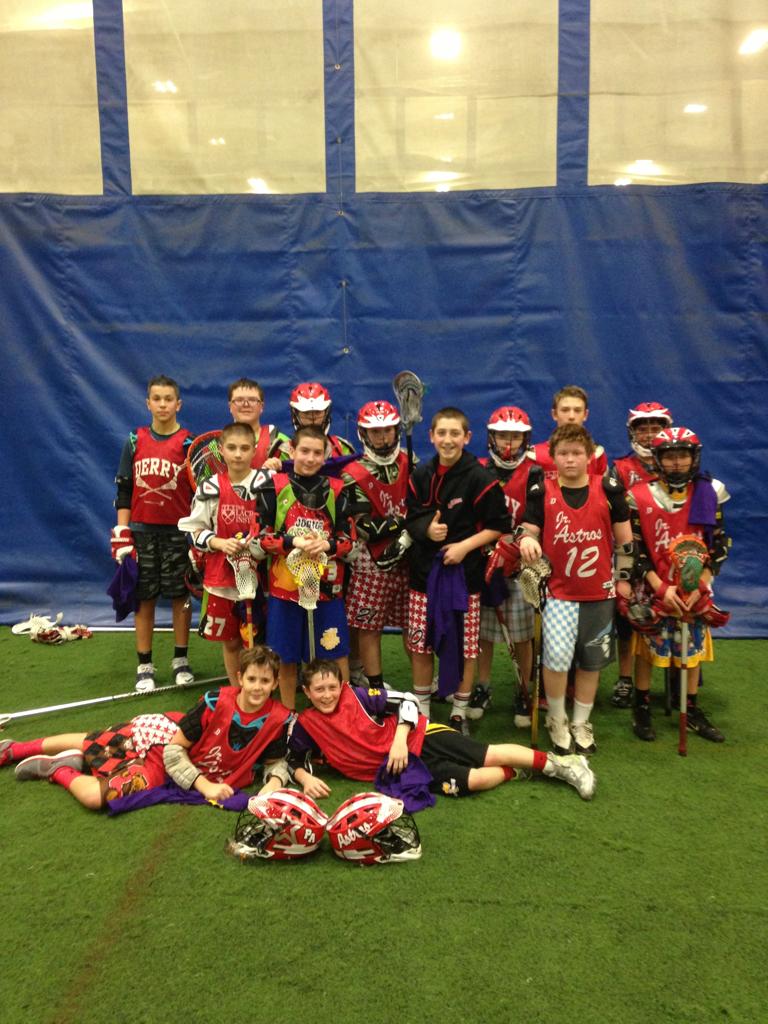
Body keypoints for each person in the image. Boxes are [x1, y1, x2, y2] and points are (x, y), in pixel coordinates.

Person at [3, 646, 292, 810]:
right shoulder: (215, 702)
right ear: (240, 678)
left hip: (175, 770)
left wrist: (272, 785)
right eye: (252, 679)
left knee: (94, 798)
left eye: (265, 681)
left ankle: (58, 769)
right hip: (161, 745)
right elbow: (174, 751)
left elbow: (276, 762)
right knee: (94, 740)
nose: (257, 687)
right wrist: (205, 786)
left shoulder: (278, 718)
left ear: (275, 684)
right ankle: (15, 749)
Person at [287, 660, 596, 801]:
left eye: (332, 687)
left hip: (418, 737)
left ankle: (563, 764)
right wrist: (306, 778)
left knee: (486, 755)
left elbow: (408, 700)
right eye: (319, 690)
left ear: (341, 685)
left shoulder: (358, 696)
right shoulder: (306, 723)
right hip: (397, 771)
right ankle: (516, 771)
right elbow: (293, 760)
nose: (327, 695)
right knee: (472, 781)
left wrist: (399, 740)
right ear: (307, 692)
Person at [518, 424, 633, 755]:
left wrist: (624, 579)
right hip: (559, 593)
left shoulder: (608, 489)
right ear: (553, 457)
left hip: (599, 593)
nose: (570, 459)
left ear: (589, 456)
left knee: (590, 662)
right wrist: (526, 540)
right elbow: (526, 530)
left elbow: (626, 543)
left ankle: (581, 721)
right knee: (555, 659)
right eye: (564, 453)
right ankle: (557, 718)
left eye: (577, 453)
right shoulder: (542, 491)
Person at [404, 407, 509, 733]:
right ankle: (422, 711)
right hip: (423, 576)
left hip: (465, 578)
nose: (447, 440)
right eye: (442, 433)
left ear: (467, 437)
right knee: (420, 644)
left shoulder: (481, 479)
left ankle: (459, 712)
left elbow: (498, 526)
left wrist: (464, 547)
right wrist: (426, 529)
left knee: (465, 647)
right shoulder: (420, 475)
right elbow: (411, 518)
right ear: (431, 436)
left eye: (454, 433)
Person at [627, 427, 730, 743]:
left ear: (694, 457)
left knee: (692, 649)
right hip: (655, 587)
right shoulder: (638, 496)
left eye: (683, 455)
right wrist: (660, 588)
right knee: (647, 649)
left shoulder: (710, 492)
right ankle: (642, 705)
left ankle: (691, 707)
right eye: (669, 456)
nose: (676, 463)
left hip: (694, 589)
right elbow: (635, 550)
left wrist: (701, 586)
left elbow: (718, 545)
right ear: (658, 459)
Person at [254, 424, 356, 708]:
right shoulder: (272, 486)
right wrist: (293, 541)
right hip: (285, 589)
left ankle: (344, 712)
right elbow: (260, 538)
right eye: (304, 451)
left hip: (327, 589)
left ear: (326, 455)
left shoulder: (338, 489)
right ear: (291, 450)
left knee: (335, 652)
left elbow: (349, 541)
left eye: (317, 453)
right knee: (284, 656)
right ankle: (289, 714)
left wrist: (328, 545)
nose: (310, 458)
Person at [112, 374, 195, 693]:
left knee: (181, 597)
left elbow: (200, 495)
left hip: (178, 533)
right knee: (143, 598)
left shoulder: (189, 444)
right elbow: (124, 490)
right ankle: (144, 665)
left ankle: (181, 660)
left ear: (179, 404)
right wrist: (122, 531)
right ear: (148, 403)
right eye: (156, 399)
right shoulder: (134, 440)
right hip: (141, 533)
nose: (162, 404)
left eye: (168, 399)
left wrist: (196, 533)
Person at [468, 406, 539, 726]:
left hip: (521, 562)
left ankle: (524, 688)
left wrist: (513, 545)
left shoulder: (535, 473)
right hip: (485, 560)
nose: (508, 443)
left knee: (522, 634)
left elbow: (536, 517)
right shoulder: (479, 469)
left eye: (516, 436)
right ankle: (482, 686)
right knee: (482, 632)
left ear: (525, 439)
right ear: (491, 438)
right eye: (502, 436)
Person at [178, 422, 265, 683]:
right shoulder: (210, 487)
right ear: (221, 450)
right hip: (221, 579)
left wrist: (258, 543)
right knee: (231, 642)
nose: (238, 454)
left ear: (254, 450)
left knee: (258, 641)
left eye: (244, 448)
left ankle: (259, 689)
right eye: (232, 448)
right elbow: (193, 530)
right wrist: (219, 542)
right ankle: (237, 690)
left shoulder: (266, 484)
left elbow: (277, 525)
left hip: (260, 577)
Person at [609, 402, 673, 709]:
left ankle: (678, 676)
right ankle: (625, 678)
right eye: (642, 429)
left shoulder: (676, 464)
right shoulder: (620, 469)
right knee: (627, 621)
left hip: (665, 556)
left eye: (655, 428)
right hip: (630, 553)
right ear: (632, 432)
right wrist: (621, 569)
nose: (648, 435)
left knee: (672, 618)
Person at [343, 401, 411, 686]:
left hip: (409, 556)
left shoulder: (411, 462)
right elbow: (366, 528)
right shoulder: (353, 472)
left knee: (413, 624)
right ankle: (374, 686)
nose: (382, 438)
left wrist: (408, 533)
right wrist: (406, 524)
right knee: (368, 625)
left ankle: (423, 684)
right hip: (370, 560)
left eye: (387, 431)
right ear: (363, 434)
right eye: (375, 432)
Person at [531, 385, 607, 480]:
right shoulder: (535, 455)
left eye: (577, 410)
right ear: (554, 414)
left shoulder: (597, 454)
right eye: (565, 410)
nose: (571, 416)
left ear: (585, 415)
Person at [278, 382, 356, 460]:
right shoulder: (281, 452)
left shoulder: (341, 448)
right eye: (306, 413)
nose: (312, 419)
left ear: (326, 412)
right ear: (295, 414)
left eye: (317, 412)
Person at [226, 377, 286, 471]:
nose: (246, 404)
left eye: (252, 400)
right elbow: (203, 478)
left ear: (261, 406)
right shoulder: (216, 445)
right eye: (239, 400)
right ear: (230, 406)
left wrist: (278, 472)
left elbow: (296, 477)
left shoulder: (280, 441)